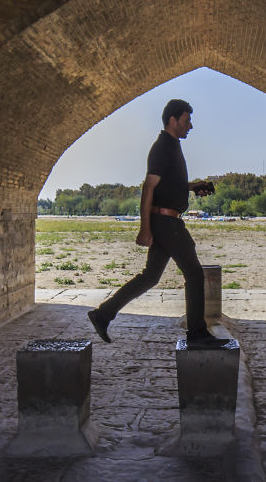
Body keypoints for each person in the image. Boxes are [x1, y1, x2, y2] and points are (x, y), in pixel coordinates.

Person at [87, 99, 225, 346]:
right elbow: (148, 188)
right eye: (186, 120)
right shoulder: (163, 147)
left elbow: (168, 184)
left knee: (150, 277)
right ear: (172, 121)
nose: (190, 126)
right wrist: (145, 228)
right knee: (194, 274)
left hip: (165, 221)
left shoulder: (172, 145)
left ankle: (103, 314)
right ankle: (197, 334)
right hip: (166, 223)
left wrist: (194, 187)